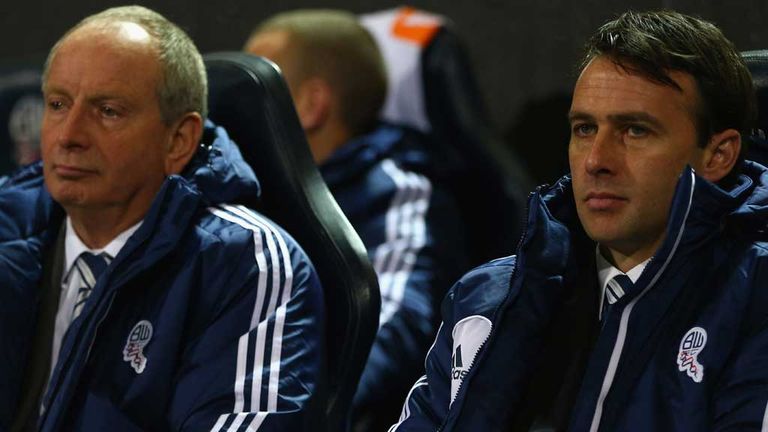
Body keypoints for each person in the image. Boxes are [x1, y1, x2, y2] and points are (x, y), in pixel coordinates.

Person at [390, 10, 768, 432]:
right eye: (585, 129)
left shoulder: (753, 303)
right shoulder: (486, 300)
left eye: (635, 131)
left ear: (717, 155)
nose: (596, 161)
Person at [0, 6, 324, 431]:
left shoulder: (245, 264)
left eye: (108, 110)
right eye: (58, 104)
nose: (69, 135)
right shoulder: (9, 225)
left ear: (178, 140)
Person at [244, 10, 469, 430]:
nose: (235, 104)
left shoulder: (395, 190)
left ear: (311, 105)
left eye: (257, 88)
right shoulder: (251, 187)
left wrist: (310, 412)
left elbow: (392, 320)